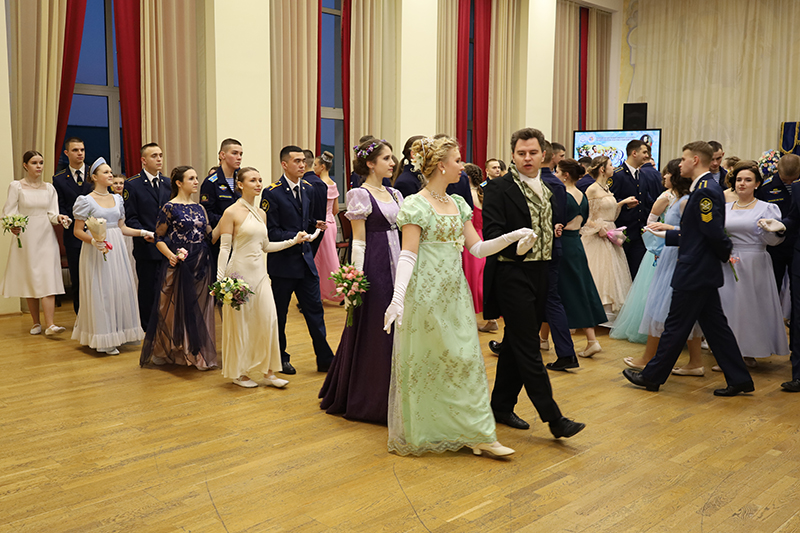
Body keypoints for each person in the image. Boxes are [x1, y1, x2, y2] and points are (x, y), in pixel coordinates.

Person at [383, 135, 523, 457]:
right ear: (441, 165)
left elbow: (477, 248)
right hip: (425, 294)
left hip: (455, 294)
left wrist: (511, 238)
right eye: (458, 160)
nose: (463, 166)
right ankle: (428, 430)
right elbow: (408, 254)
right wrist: (397, 298)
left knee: (465, 361)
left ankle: (480, 434)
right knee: (433, 360)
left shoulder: (458, 204)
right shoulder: (416, 204)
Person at [622, 141, 754, 396]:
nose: (680, 164)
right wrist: (668, 236)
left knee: (675, 325)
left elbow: (713, 232)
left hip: (695, 269)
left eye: (683, 159)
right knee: (716, 328)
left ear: (695, 160)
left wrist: (724, 253)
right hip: (700, 268)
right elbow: (696, 233)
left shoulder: (705, 191)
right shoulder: (702, 188)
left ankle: (652, 376)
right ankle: (739, 379)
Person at [482, 127, 585, 438]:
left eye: (533, 152)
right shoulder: (498, 188)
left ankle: (500, 406)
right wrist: (517, 246)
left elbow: (555, 226)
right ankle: (554, 419)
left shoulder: (552, 188)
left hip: (542, 271)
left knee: (515, 342)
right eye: (521, 153)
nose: (527, 158)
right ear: (513, 155)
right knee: (528, 345)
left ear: (544, 155)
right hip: (511, 273)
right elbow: (492, 233)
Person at [319, 139, 402, 423]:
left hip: (398, 263)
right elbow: (359, 241)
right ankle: (371, 395)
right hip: (375, 267)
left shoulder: (395, 193)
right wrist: (354, 279)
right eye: (386, 158)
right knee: (377, 328)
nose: (392, 163)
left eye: (392, 158)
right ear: (370, 163)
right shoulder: (359, 194)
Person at [218, 167, 303, 388]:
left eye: (260, 180)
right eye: (253, 180)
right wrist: (221, 281)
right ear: (240, 184)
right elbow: (224, 248)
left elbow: (265, 246)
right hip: (238, 274)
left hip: (260, 274)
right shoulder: (231, 212)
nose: (258, 184)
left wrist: (293, 241)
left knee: (269, 320)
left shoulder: (261, 213)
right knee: (241, 324)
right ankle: (240, 373)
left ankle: (269, 372)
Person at [621, 159, 704, 374]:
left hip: (677, 255)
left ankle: (649, 358)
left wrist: (668, 228)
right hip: (669, 252)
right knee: (669, 307)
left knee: (660, 306)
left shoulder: (684, 201)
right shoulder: (677, 198)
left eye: (667, 173)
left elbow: (692, 231)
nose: (664, 177)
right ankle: (695, 362)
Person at [261, 145, 335, 375]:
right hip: (283, 265)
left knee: (315, 313)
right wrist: (296, 237)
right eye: (297, 161)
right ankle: (280, 358)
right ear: (284, 164)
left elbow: (307, 220)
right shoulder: (272, 192)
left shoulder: (308, 189)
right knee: (280, 316)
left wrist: (314, 225)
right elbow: (271, 231)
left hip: (305, 263)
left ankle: (325, 359)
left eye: (304, 161)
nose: (303, 165)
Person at [140, 166, 218, 370]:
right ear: (179, 183)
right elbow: (158, 237)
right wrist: (171, 256)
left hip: (201, 261)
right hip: (179, 262)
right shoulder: (170, 207)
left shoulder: (200, 208)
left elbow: (210, 236)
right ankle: (165, 349)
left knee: (198, 306)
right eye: (191, 178)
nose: (196, 181)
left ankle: (194, 352)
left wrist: (229, 220)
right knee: (171, 307)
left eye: (196, 177)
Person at [71, 158, 151, 355]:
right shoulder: (85, 201)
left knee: (119, 288)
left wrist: (143, 232)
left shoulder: (117, 199)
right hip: (96, 249)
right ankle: (103, 337)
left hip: (116, 248)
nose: (110, 175)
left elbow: (122, 227)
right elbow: (77, 231)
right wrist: (93, 241)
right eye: (105, 172)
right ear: (94, 177)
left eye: (110, 172)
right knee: (102, 290)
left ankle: (119, 333)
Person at [718, 161, 788, 365]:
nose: (742, 183)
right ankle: (729, 353)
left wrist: (769, 230)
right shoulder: (725, 208)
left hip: (754, 261)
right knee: (728, 305)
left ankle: (749, 351)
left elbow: (775, 241)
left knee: (751, 307)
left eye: (748, 180)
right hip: (729, 261)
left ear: (757, 184)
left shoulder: (767, 208)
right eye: (739, 180)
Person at [1, 151, 70, 335]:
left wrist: (60, 218)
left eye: (41, 162)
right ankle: (35, 323)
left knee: (48, 276)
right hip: (26, 236)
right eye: (34, 163)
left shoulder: (49, 188)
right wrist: (13, 225)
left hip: (46, 236)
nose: (39, 166)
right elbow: (8, 212)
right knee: (30, 277)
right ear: (25, 165)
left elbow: (52, 214)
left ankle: (50, 325)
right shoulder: (16, 186)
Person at [611, 159, 678, 345]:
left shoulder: (684, 197)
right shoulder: (665, 197)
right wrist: (663, 232)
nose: (664, 176)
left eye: (668, 173)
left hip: (675, 246)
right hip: (661, 248)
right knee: (653, 291)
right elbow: (650, 223)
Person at [553, 158, 607, 360]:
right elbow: (583, 220)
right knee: (579, 288)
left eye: (557, 171)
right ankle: (543, 338)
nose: (555, 174)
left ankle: (591, 341)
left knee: (562, 291)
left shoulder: (562, 194)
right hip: (577, 243)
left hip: (564, 244)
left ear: (565, 175)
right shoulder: (581, 196)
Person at [538, 140, 579, 366]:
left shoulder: (539, 183)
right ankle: (566, 352)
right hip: (555, 246)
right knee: (550, 299)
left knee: (541, 299)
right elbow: (560, 219)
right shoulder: (557, 183)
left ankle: (565, 352)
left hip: (537, 249)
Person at [123, 143, 171, 327]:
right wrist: (146, 233)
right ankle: (147, 326)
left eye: (160, 155)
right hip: (147, 246)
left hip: (166, 245)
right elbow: (131, 217)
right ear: (143, 160)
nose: (159, 159)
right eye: (154, 156)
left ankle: (165, 325)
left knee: (166, 288)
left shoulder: (167, 183)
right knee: (148, 289)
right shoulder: (133, 184)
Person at [582, 156, 637, 314]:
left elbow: (610, 214)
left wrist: (622, 203)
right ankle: (597, 310)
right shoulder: (592, 189)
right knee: (600, 271)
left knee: (614, 272)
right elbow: (586, 216)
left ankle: (610, 312)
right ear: (602, 169)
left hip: (611, 231)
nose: (613, 168)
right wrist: (599, 228)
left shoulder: (606, 188)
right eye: (611, 165)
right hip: (598, 236)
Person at [609, 139, 663, 278]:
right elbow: (609, 201)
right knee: (622, 273)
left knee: (637, 272)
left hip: (639, 233)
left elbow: (646, 199)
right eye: (644, 152)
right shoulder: (617, 174)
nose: (647, 156)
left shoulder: (642, 175)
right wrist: (624, 203)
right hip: (621, 232)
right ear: (634, 153)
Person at [53, 137, 92, 313]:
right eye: (75, 150)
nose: (80, 153)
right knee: (77, 278)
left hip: (95, 232)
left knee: (95, 277)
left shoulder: (94, 173)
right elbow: (60, 205)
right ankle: (80, 316)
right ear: (67, 153)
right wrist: (64, 218)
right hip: (74, 234)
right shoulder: (60, 179)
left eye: (82, 150)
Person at [756, 153, 800, 292]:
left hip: (797, 243)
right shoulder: (766, 187)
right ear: (778, 171)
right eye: (785, 180)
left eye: (793, 179)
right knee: (773, 287)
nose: (790, 183)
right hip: (776, 245)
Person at [461, 163, 496, 332]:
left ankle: (470, 319)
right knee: (482, 280)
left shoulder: (469, 196)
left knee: (472, 281)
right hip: (483, 236)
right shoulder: (483, 193)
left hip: (471, 238)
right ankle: (491, 318)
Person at [312, 151, 344, 302]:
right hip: (332, 224)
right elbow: (335, 209)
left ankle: (323, 293)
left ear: (322, 167)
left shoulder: (319, 185)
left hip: (322, 225)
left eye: (315, 165)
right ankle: (337, 290)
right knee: (330, 257)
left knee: (321, 260)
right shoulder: (333, 184)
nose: (313, 168)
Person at [200, 138, 243, 228]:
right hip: (221, 230)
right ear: (222, 155)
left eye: (240, 154)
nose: (239, 157)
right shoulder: (211, 182)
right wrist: (230, 221)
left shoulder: (241, 179)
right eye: (234, 153)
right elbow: (207, 213)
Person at [303, 149, 328, 256]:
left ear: (303, 163)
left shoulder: (308, 183)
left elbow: (314, 210)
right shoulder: (320, 183)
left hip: (309, 231)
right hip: (316, 230)